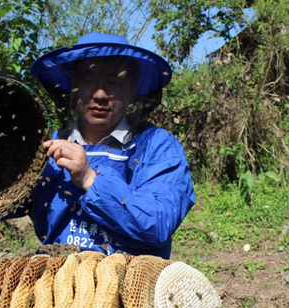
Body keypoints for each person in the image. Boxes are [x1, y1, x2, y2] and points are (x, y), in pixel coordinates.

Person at [28, 33, 195, 259]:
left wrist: (90, 178)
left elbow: (159, 223)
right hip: (60, 280)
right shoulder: (49, 146)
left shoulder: (158, 147)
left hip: (132, 282)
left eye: (114, 82)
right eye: (88, 81)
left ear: (131, 90)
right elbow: (0, 200)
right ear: (73, 87)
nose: (100, 95)